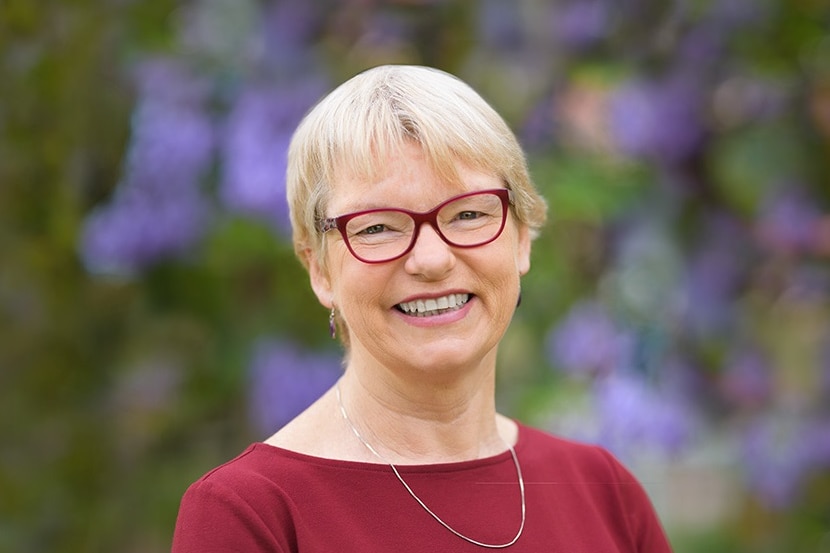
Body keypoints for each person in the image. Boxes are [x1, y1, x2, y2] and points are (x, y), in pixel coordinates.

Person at [171, 64, 673, 552]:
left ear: (521, 239)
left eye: (470, 214)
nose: (431, 260)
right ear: (319, 269)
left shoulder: (604, 492)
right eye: (377, 227)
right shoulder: (250, 514)